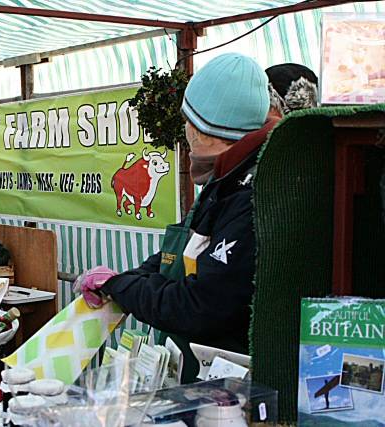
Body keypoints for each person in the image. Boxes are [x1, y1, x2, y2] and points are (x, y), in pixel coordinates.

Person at [76, 53, 279, 382]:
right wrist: (125, 279)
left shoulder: (250, 195)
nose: (184, 131)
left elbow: (197, 306)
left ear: (202, 131)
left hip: (231, 389)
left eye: (187, 120)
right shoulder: (225, 179)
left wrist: (121, 285)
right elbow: (186, 251)